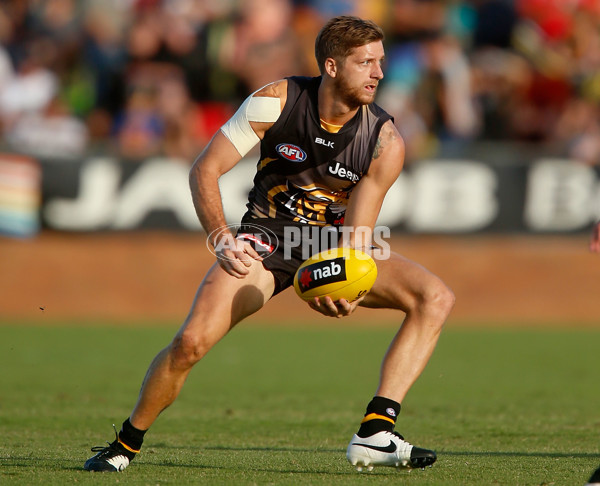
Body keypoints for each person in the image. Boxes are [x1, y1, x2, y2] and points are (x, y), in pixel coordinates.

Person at [84, 15, 455, 473]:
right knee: (191, 343)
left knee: (434, 297)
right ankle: (125, 444)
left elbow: (358, 238)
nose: (380, 73)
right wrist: (221, 237)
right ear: (332, 66)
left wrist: (349, 285)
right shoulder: (276, 102)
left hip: (329, 246)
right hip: (265, 239)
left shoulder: (385, 141)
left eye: (381, 61)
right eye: (366, 63)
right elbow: (205, 169)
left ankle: (376, 431)